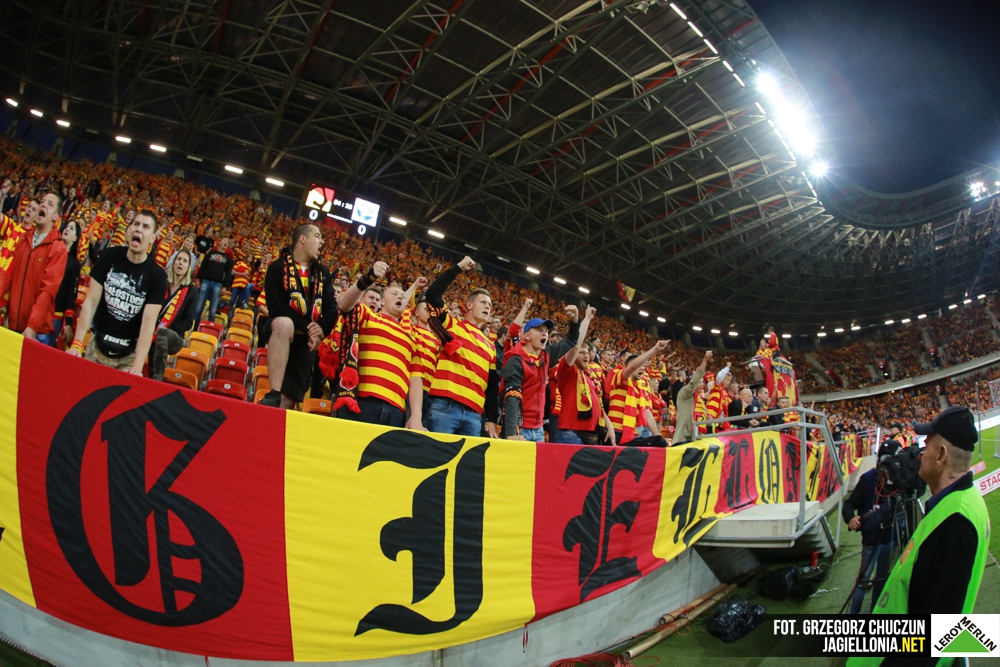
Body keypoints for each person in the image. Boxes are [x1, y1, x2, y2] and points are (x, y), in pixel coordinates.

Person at [847, 406, 990, 667]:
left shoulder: (956, 523)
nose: (920, 453)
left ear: (941, 455)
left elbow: (933, 637)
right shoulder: (960, 503)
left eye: (926, 445)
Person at [67, 209, 167, 374]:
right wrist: (77, 343)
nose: (139, 229)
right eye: (136, 224)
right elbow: (90, 302)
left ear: (152, 238)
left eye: (145, 227)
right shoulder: (108, 256)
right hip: (96, 346)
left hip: (128, 356)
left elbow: (147, 326)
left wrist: (137, 367)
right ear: (128, 231)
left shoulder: (157, 276)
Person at [328, 270, 426, 427]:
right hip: (360, 401)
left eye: (403, 296)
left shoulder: (412, 339)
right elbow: (344, 304)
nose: (400, 297)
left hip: (396, 411)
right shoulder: (368, 316)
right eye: (394, 294)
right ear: (382, 302)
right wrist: (368, 278)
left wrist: (416, 416)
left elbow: (415, 379)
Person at [422, 256, 499, 437]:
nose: (487, 307)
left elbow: (492, 386)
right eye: (483, 302)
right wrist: (457, 268)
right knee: (437, 453)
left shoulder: (491, 346)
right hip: (445, 405)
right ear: (469, 305)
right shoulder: (452, 324)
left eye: (490, 305)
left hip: (474, 413)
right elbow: (432, 295)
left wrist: (492, 418)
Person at [258, 223, 332, 409]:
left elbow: (332, 308)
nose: (322, 241)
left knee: (288, 402)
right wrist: (309, 328)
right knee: (284, 323)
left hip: (307, 340)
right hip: (282, 331)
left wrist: (320, 332)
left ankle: (274, 414)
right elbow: (276, 308)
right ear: (303, 239)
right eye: (317, 236)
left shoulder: (323, 273)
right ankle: (274, 392)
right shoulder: (277, 268)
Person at [501, 305, 583, 441]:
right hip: (519, 428)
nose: (544, 333)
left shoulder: (546, 355)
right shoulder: (515, 361)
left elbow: (570, 341)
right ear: (526, 335)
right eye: (539, 330)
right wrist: (511, 433)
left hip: (538, 429)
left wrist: (574, 321)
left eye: (546, 331)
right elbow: (512, 398)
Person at [0, 191, 68, 345]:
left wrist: (32, 325)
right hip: (12, 326)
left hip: (37, 333)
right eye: (42, 202)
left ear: (56, 217)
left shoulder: (58, 248)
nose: (43, 205)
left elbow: (47, 291)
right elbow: (7, 275)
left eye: (49, 204)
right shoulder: (23, 239)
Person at [841, 440, 896, 614]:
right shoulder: (868, 478)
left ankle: (875, 612)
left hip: (891, 538)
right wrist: (850, 518)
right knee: (863, 581)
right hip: (871, 540)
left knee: (882, 579)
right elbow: (849, 503)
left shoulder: (899, 480)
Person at [555, 309, 615, 445]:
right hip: (571, 433)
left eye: (587, 353)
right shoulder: (567, 371)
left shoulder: (589, 377)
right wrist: (587, 318)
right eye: (582, 353)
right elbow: (575, 346)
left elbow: (598, 404)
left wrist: (609, 426)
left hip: (593, 433)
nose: (586, 355)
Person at [606, 340, 671, 444]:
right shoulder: (618, 376)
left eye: (644, 366)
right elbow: (632, 367)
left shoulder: (640, 387)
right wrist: (655, 349)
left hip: (633, 433)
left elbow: (647, 412)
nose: (643, 368)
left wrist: (658, 436)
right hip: (616, 431)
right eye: (640, 366)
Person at [150, 249, 201, 380]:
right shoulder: (162, 284)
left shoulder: (192, 291)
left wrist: (167, 328)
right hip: (153, 331)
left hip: (176, 337)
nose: (180, 263)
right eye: (178, 259)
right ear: (173, 263)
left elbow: (188, 322)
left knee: (162, 333)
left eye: (185, 261)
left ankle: (157, 380)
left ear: (188, 267)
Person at [52, 219, 82, 345]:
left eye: (71, 228)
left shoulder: (74, 264)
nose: (67, 229)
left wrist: (68, 323)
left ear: (75, 238)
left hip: (55, 315)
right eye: (67, 226)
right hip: (38, 309)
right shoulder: (51, 252)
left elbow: (71, 295)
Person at [675, 350, 711, 444]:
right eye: (699, 382)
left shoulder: (700, 400)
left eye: (703, 382)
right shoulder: (684, 393)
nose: (702, 384)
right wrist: (705, 360)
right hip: (683, 439)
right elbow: (693, 382)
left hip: (696, 438)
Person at [197, 236, 234, 322]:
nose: (226, 242)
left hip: (217, 284)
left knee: (213, 311)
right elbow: (203, 266)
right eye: (225, 240)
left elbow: (228, 273)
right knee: (198, 308)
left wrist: (225, 286)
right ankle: (193, 327)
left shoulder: (228, 259)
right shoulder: (210, 253)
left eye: (228, 242)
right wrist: (198, 279)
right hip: (206, 281)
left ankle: (209, 328)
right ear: (219, 242)